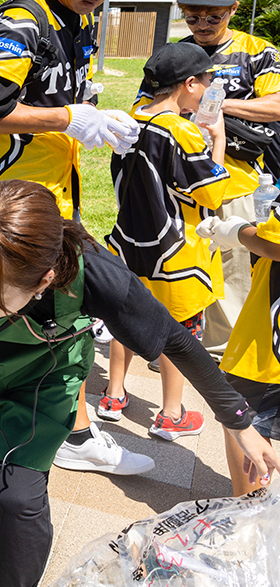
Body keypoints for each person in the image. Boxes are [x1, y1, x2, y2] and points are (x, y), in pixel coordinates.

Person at [0, 180, 279, 587]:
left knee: (17, 500)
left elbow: (174, 340)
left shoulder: (96, 275)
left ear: (43, 282)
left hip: (40, 382)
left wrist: (238, 420)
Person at [0, 0, 145, 472]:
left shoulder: (81, 22)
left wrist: (94, 121)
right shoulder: (21, 20)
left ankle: (73, 432)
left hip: (58, 196)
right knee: (2, 312)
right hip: (9, 203)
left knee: (61, 313)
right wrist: (68, 119)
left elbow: (60, 96)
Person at [102, 43, 228, 441]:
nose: (210, 89)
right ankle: (172, 414)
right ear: (190, 84)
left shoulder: (130, 118)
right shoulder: (181, 129)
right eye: (207, 82)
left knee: (126, 319)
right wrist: (217, 140)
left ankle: (112, 395)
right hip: (176, 254)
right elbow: (212, 192)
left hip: (127, 241)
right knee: (180, 332)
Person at [155, 0, 280, 358]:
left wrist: (217, 103)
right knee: (178, 260)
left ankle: (222, 356)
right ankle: (178, 350)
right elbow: (146, 102)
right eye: (192, 15)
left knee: (232, 266)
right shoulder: (172, 55)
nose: (202, 23)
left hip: (236, 177)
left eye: (214, 15)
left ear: (234, 9)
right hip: (176, 179)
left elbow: (276, 104)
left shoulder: (257, 52)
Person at [199, 209, 280, 496]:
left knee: (243, 412)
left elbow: (275, 245)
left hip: (269, 344)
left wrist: (237, 232)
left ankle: (253, 512)